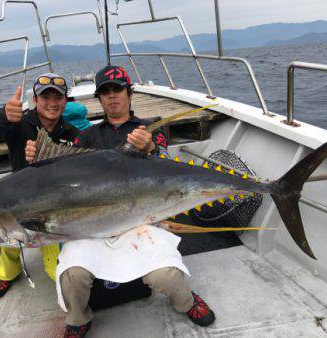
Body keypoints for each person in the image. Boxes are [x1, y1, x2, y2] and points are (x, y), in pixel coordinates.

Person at [29, 65, 215, 338]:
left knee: (167, 275)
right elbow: (62, 170)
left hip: (142, 218)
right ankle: (79, 319)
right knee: (72, 277)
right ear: (99, 98)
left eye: (117, 89)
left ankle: (186, 302)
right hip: (94, 224)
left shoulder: (149, 129)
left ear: (129, 93)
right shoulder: (87, 137)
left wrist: (151, 148)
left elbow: (169, 173)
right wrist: (37, 157)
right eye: (105, 91)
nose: (112, 96)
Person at [0, 73, 79, 299]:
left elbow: (78, 168)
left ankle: (53, 260)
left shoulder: (72, 133)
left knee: (56, 273)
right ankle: (6, 274)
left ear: (66, 101)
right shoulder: (18, 123)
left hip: (53, 204)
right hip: (16, 200)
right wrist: (3, 116)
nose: (52, 103)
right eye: (45, 97)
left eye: (58, 98)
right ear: (35, 100)